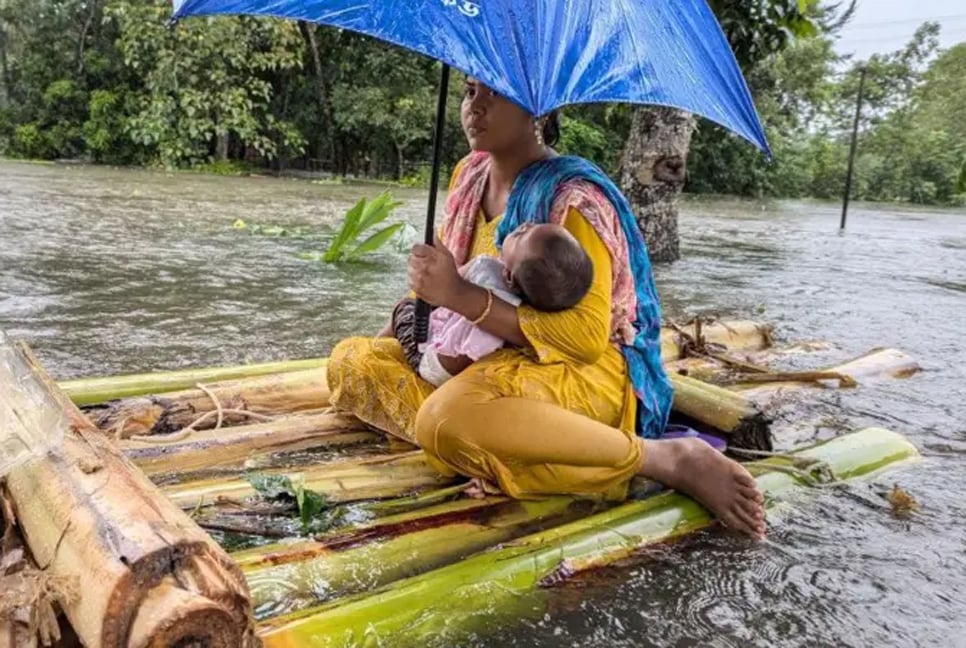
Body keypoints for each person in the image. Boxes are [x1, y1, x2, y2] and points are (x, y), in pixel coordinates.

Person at [327, 77, 765, 537]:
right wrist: (401, 327)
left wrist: (460, 296)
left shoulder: (573, 200)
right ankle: (503, 448)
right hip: (476, 360)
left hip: (570, 372)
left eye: (495, 94)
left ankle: (661, 458)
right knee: (350, 361)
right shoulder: (466, 176)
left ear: (539, 110)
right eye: (470, 91)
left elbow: (585, 338)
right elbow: (439, 300)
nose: (475, 107)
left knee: (445, 421)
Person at [392, 222, 593, 386]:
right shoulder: (520, 309)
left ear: (508, 276)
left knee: (404, 309)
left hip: (432, 365)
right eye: (532, 226)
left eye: (522, 235)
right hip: (443, 356)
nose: (525, 225)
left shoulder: (486, 270)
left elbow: (456, 359)